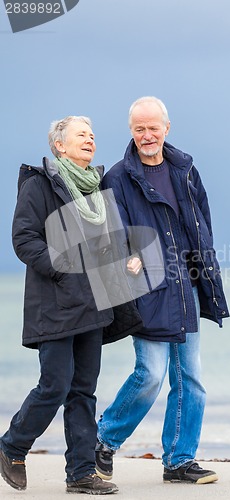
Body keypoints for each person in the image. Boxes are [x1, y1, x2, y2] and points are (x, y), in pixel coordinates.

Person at [0, 115, 140, 494]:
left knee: (83, 392)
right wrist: (59, 268)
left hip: (94, 307)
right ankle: (12, 445)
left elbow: (106, 245)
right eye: (82, 134)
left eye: (92, 134)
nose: (90, 139)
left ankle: (80, 474)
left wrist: (126, 260)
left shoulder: (97, 191)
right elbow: (23, 238)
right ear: (59, 145)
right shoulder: (39, 185)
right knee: (55, 386)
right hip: (56, 304)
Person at [96, 97, 230, 484]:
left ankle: (179, 460)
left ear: (166, 128)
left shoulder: (185, 169)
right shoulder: (118, 178)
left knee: (191, 378)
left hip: (185, 285)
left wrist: (202, 265)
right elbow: (110, 235)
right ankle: (104, 440)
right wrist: (128, 257)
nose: (147, 135)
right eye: (139, 129)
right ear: (131, 132)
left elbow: (201, 219)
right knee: (151, 373)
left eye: (153, 127)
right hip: (147, 287)